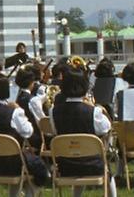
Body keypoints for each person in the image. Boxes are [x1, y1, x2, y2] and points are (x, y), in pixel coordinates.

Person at [0, 73, 50, 195]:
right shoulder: (14, 112)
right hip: (14, 164)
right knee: (40, 169)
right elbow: (28, 132)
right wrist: (20, 110)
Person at [50, 65, 117, 197]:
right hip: (92, 164)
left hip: (65, 165)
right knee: (108, 170)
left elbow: (55, 131)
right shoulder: (93, 112)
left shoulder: (53, 111)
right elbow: (106, 128)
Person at [14, 68, 45, 151]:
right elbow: (42, 123)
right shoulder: (33, 100)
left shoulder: (13, 98)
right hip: (33, 138)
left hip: (16, 138)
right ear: (32, 83)